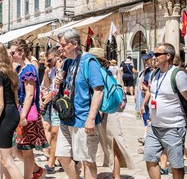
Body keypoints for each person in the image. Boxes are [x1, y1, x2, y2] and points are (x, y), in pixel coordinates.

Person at [141, 43, 187, 179]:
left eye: (156, 54)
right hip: (154, 127)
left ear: (167, 56)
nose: (153, 57)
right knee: (150, 159)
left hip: (173, 127)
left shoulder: (179, 76)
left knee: (176, 165)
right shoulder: (154, 74)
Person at [53, 29, 103, 179]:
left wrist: (91, 119)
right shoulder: (68, 63)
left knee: (87, 161)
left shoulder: (89, 62)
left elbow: (98, 91)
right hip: (67, 117)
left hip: (83, 119)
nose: (60, 48)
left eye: (63, 45)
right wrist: (60, 81)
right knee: (62, 156)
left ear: (75, 44)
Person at [89, 47, 135, 179]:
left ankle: (113, 175)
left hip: (101, 111)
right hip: (109, 110)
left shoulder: (96, 73)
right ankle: (116, 175)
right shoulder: (106, 72)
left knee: (104, 144)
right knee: (113, 143)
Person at [10, 38, 48, 179]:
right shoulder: (21, 69)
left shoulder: (29, 69)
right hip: (21, 111)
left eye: (13, 52)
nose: (12, 55)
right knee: (16, 148)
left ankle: (30, 176)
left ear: (21, 52)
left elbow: (30, 94)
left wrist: (23, 116)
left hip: (27, 114)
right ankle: (37, 171)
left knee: (27, 150)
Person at [0, 42, 23, 179]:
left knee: (8, 161)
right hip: (13, 112)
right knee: (3, 157)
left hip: (5, 115)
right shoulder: (10, 72)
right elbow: (16, 99)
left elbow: (0, 104)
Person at [40, 47, 62, 173]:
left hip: (60, 105)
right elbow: (47, 86)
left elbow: (57, 88)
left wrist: (45, 102)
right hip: (54, 105)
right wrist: (46, 71)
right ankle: (53, 162)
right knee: (54, 134)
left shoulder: (61, 67)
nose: (47, 62)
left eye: (49, 60)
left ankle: (52, 162)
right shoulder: (52, 69)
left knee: (55, 133)